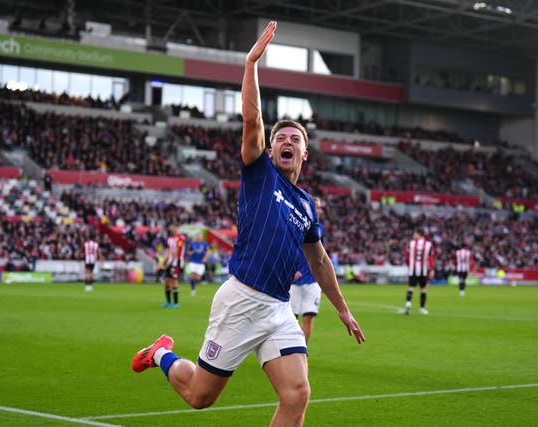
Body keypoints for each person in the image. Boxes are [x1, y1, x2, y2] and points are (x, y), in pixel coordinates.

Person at [132, 21, 365, 427]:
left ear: (305, 154)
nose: (287, 142)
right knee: (200, 396)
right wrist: (251, 64)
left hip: (277, 308)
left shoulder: (307, 205)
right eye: (282, 139)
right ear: (272, 150)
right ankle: (161, 354)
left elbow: (320, 261)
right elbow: (253, 120)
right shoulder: (260, 174)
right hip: (240, 301)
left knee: (297, 393)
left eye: (295, 139)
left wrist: (343, 310)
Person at [290, 197, 323, 343]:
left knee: (308, 317)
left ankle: (303, 351)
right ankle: (290, 351)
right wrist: (291, 268)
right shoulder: (296, 224)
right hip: (296, 280)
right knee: (291, 320)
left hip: (313, 280)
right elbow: (290, 248)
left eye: (320, 207)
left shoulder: (319, 228)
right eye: (317, 207)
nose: (320, 210)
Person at [404, 227, 434, 315]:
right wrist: (432, 269)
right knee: (423, 289)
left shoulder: (411, 244)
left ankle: (408, 305)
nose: (413, 235)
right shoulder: (429, 244)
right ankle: (422, 308)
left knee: (411, 287)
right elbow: (431, 258)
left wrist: (409, 265)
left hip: (413, 270)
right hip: (423, 270)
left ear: (419, 234)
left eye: (414, 234)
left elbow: (407, 257)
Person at [162, 223, 186, 308]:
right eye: (172, 228)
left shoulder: (181, 238)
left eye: (174, 228)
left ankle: (176, 302)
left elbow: (177, 251)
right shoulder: (170, 239)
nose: (173, 229)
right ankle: (168, 301)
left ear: (178, 228)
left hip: (176, 262)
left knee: (174, 280)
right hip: (170, 261)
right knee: (167, 281)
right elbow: (168, 251)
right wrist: (162, 262)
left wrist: (171, 261)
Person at [186, 232, 209, 296]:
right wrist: (191, 252)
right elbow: (188, 252)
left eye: (200, 236)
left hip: (200, 263)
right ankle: (193, 289)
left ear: (201, 237)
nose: (199, 238)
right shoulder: (192, 243)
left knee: (198, 278)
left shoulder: (204, 243)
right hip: (193, 262)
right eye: (198, 236)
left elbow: (207, 251)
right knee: (192, 275)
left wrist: (205, 258)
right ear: (196, 237)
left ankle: (195, 283)